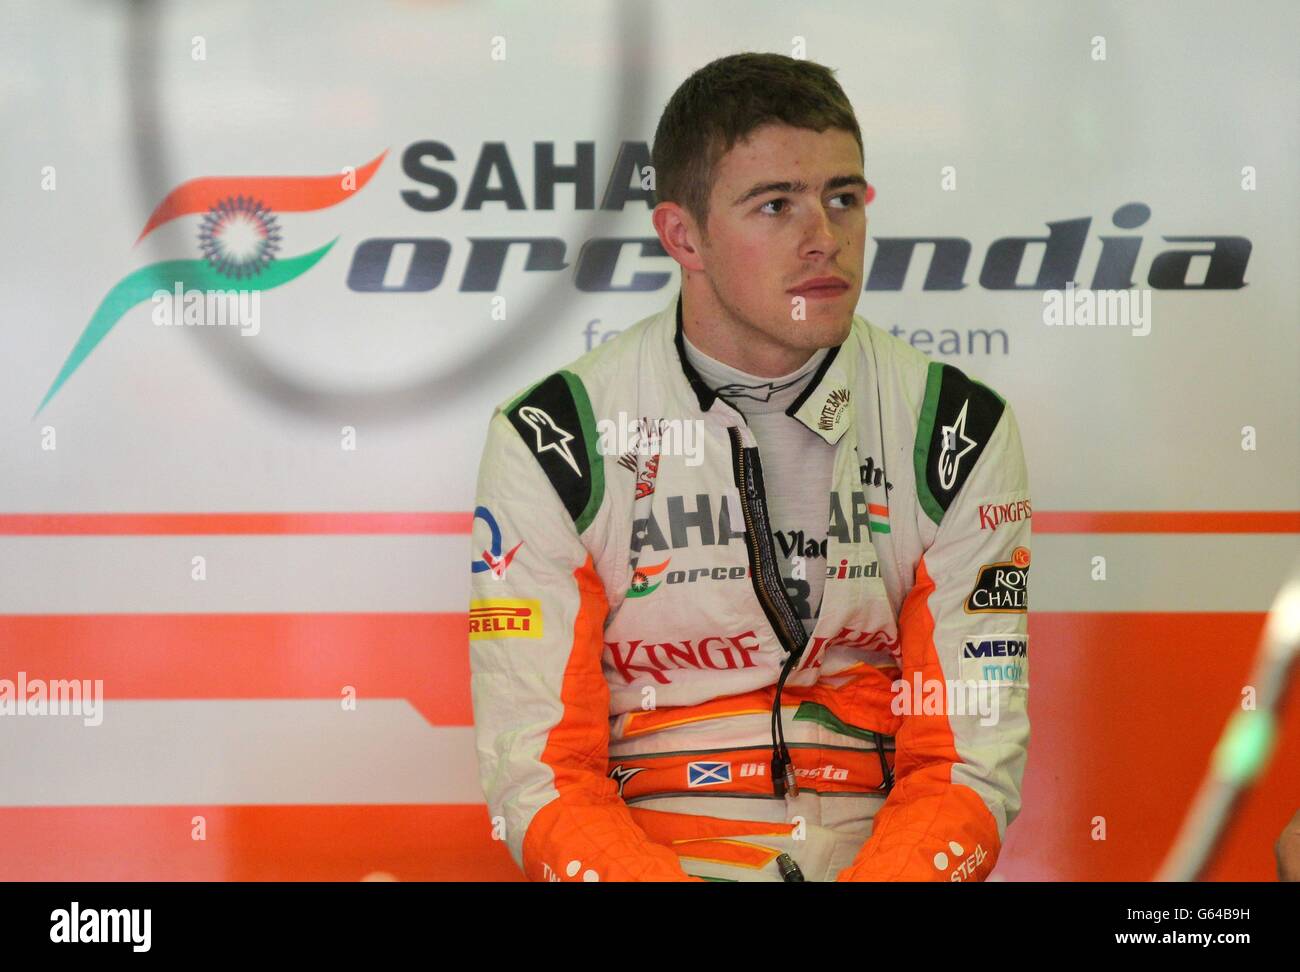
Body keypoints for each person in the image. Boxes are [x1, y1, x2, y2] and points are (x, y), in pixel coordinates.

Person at [467, 52, 1032, 882]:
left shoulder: (957, 429)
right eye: (776, 205)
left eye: (844, 198)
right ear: (682, 235)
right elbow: (540, 772)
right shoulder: (557, 438)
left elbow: (967, 761)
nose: (826, 239)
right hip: (651, 851)